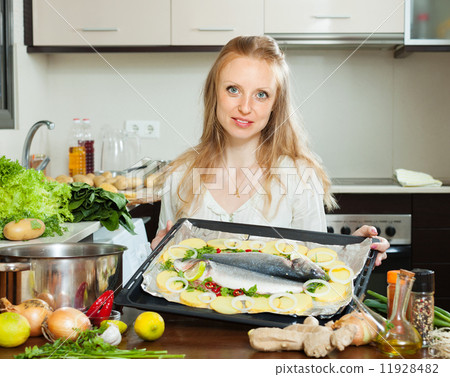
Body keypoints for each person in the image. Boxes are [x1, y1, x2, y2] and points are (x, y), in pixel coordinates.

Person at [151, 35, 389, 266]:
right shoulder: (180, 175)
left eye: (261, 95)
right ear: (214, 93)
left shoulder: (299, 176)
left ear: (276, 104)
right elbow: (164, 274)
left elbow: (317, 268)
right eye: (233, 89)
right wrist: (160, 257)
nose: (245, 107)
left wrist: (354, 253)